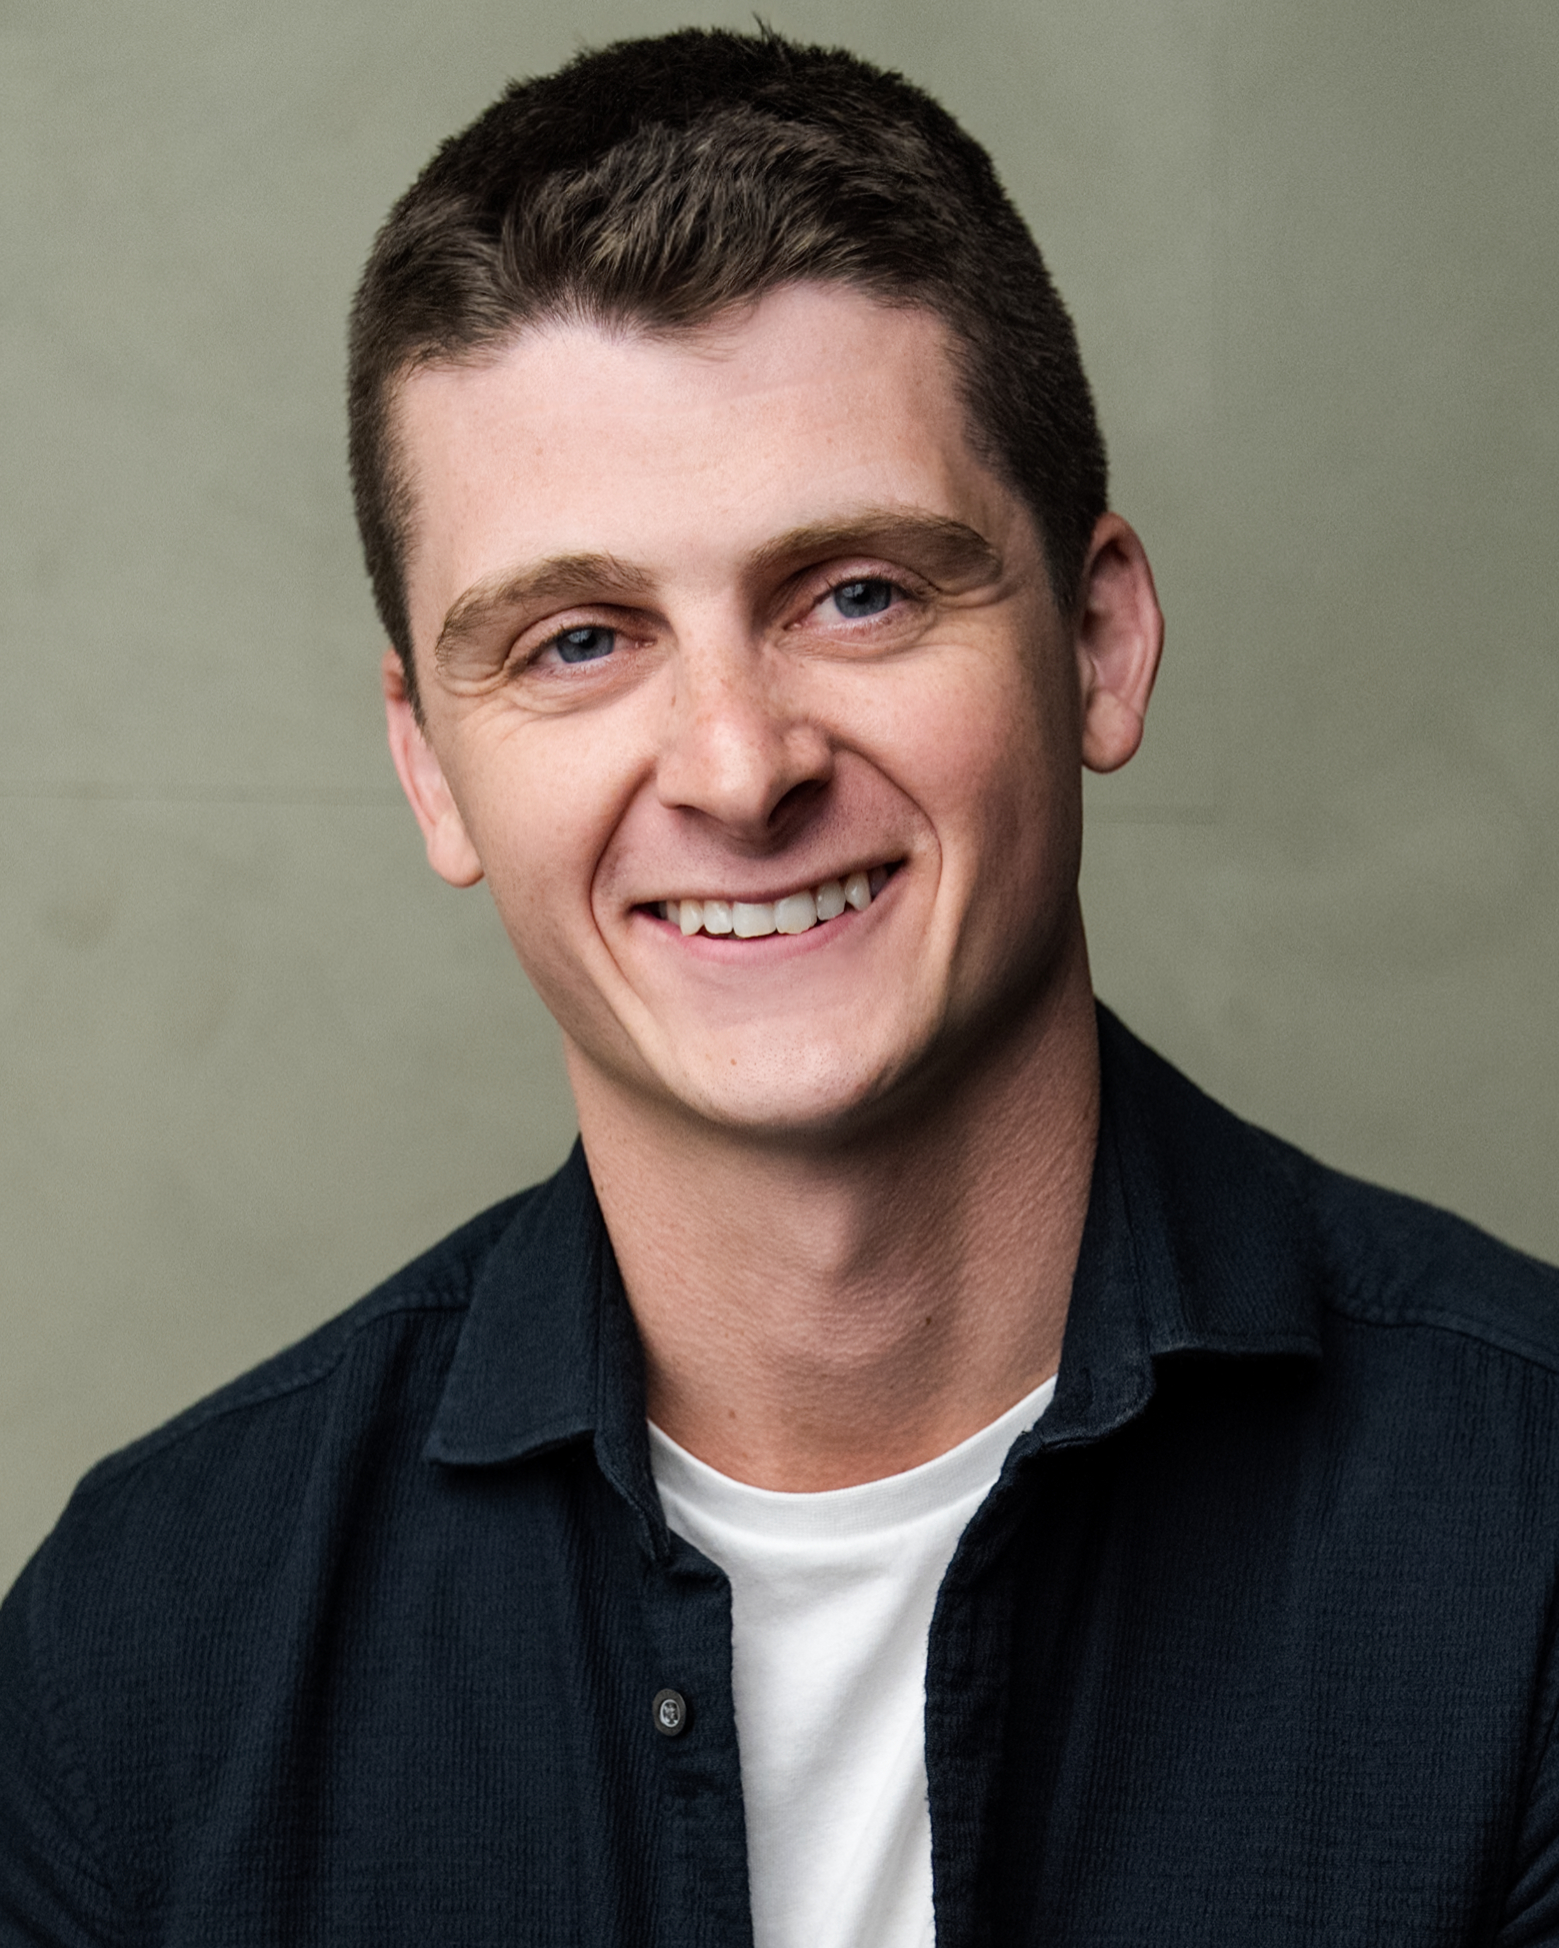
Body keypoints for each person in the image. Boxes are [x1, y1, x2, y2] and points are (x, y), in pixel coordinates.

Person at [3, 24, 1558, 1947]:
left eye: (858, 594)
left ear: (1098, 642)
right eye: (579, 641)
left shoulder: (1533, 1549)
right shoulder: (138, 1666)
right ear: (431, 766)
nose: (740, 770)